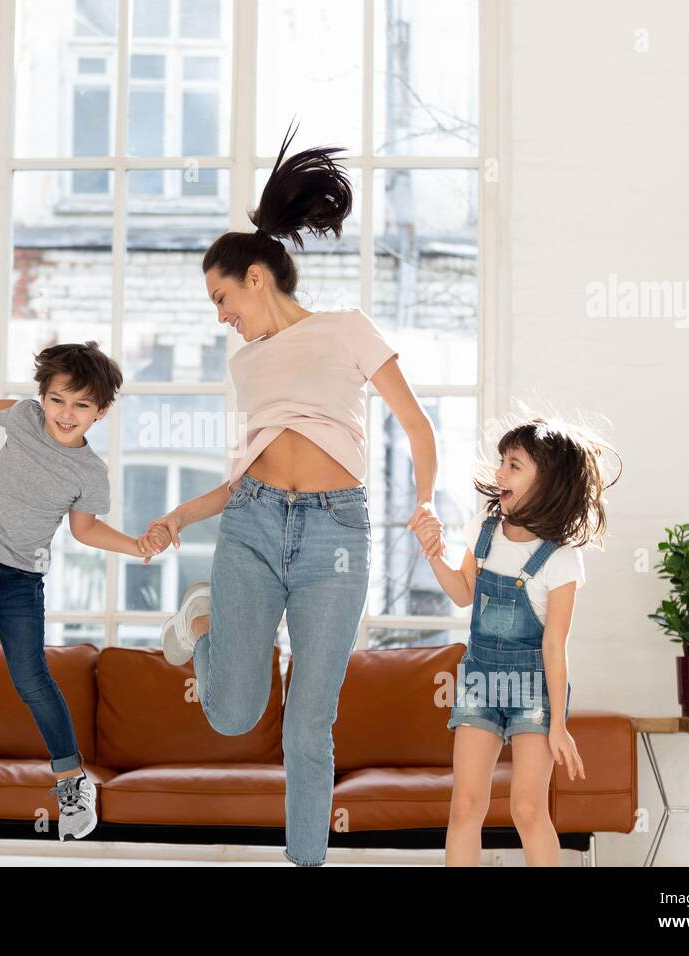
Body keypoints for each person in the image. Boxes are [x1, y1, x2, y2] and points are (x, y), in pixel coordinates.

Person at [143, 125, 443, 866]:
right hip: (250, 526)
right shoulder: (245, 369)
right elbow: (243, 471)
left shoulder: (347, 329)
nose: (221, 316)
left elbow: (415, 421)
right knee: (234, 712)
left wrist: (428, 499)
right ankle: (206, 620)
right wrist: (182, 515)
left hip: (336, 536)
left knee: (310, 723)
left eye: (220, 297)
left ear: (255, 276)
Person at [0, 342, 161, 839]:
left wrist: (136, 546)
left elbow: (85, 529)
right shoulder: (23, 416)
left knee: (31, 679)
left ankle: (72, 782)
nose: (66, 414)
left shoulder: (90, 473)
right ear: (42, 397)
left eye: (82, 405)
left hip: (20, 581)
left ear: (101, 411)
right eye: (58, 399)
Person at [412, 415, 618, 865]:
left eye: (514, 465)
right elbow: (464, 593)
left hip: (535, 690)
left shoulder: (562, 559)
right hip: (480, 680)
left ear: (547, 483)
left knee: (527, 809)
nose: (500, 473)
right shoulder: (484, 531)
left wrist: (559, 724)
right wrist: (435, 555)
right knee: (465, 806)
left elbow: (554, 646)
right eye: (502, 462)